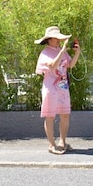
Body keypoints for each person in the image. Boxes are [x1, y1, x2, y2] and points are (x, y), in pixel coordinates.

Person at [35, 25, 81, 155]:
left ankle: (62, 141)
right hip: (51, 88)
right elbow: (52, 66)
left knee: (65, 114)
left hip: (63, 87)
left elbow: (70, 65)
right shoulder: (45, 53)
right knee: (50, 116)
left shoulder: (61, 50)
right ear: (49, 40)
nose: (58, 41)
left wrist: (77, 52)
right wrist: (62, 52)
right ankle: (52, 144)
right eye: (56, 38)